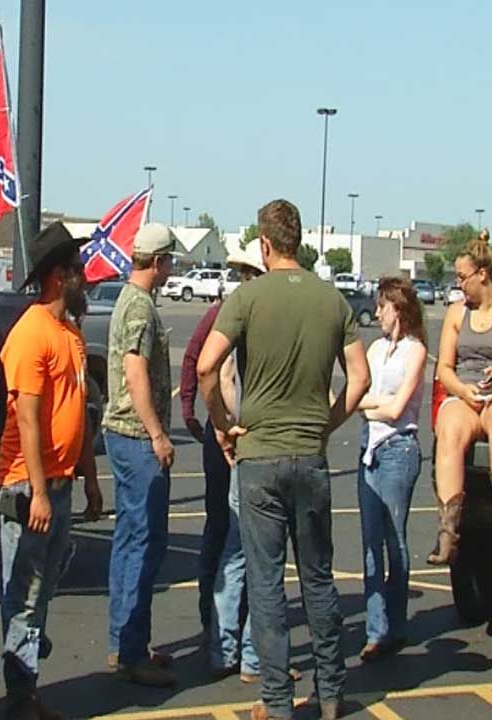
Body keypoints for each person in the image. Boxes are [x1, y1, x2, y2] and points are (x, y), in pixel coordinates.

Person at [198, 199, 369, 720]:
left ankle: (276, 701)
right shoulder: (333, 300)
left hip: (260, 458)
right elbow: (359, 380)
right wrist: (326, 422)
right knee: (317, 578)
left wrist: (226, 426)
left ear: (265, 245)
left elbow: (207, 367)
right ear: (299, 242)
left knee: (266, 581)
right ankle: (332, 692)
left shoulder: (247, 298)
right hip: (309, 456)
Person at [0, 222, 103, 719]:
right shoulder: (32, 332)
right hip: (29, 485)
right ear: (60, 276)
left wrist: (90, 478)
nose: (86, 276)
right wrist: (38, 492)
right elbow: (28, 419)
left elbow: (77, 411)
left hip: (60, 483)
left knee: (42, 590)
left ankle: (28, 682)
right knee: (23, 592)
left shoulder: (71, 335)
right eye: (78, 269)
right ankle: (20, 699)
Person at [103, 222, 179, 688]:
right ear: (158, 262)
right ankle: (131, 650)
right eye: (170, 260)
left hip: (125, 436)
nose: (172, 269)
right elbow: (135, 372)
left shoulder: (132, 301)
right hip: (135, 436)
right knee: (144, 543)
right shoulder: (139, 309)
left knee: (129, 540)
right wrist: (157, 435)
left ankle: (126, 640)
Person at [430, 230, 492, 565]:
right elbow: (444, 368)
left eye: (462, 277)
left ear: (482, 274)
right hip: (467, 392)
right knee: (450, 429)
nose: (459, 284)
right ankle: (448, 531)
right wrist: (461, 390)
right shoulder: (458, 314)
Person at [179, 245, 260, 651]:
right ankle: (212, 617)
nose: (247, 280)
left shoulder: (258, 316)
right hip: (226, 434)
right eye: (245, 274)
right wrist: (197, 414)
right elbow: (199, 360)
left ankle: (229, 623)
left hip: (241, 433)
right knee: (222, 526)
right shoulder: (222, 314)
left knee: (238, 532)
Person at [202, 240, 268, 679]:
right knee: (260, 555)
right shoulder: (256, 315)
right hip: (262, 444)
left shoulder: (239, 314)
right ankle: (249, 654)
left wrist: (228, 424)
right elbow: (216, 372)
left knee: (237, 552)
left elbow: (215, 372)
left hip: (247, 444)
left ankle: (226, 650)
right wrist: (231, 425)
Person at [355, 276, 427, 661]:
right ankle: (375, 629)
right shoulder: (375, 348)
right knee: (370, 544)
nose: (377, 313)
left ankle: (395, 625)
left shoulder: (414, 351)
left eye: (382, 306)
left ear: (397, 308)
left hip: (399, 449)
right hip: (369, 447)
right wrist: (370, 404)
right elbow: (359, 392)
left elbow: (399, 409)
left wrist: (368, 405)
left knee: (394, 539)